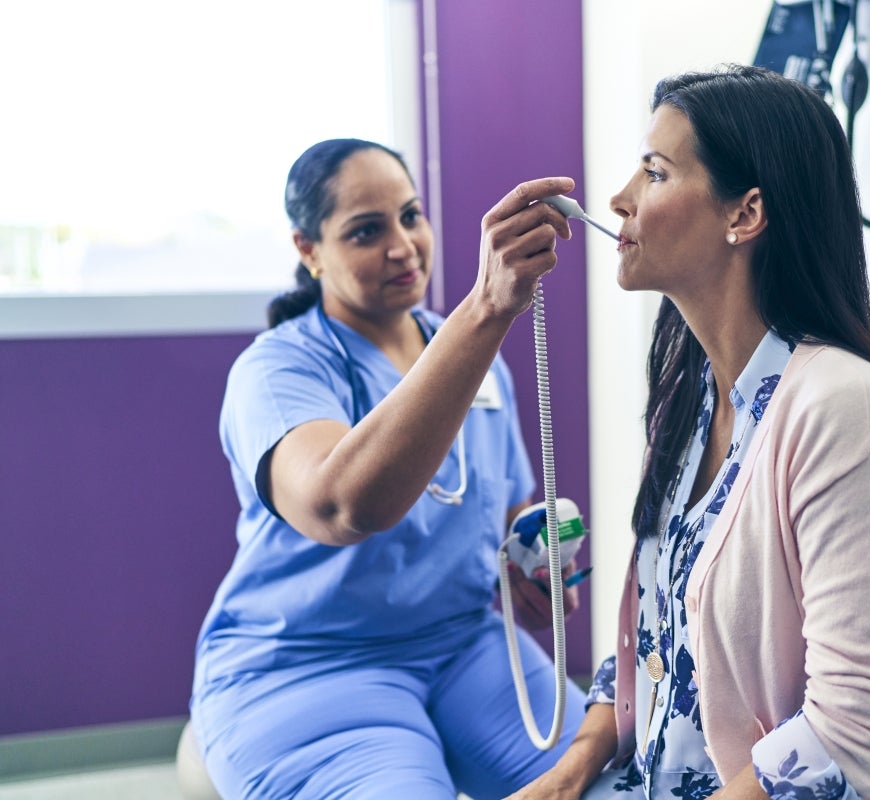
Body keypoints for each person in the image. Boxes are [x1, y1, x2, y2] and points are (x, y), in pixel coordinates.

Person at [508, 65, 870, 800]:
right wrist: (565, 778)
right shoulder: (689, 398)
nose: (619, 199)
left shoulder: (847, 414)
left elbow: (855, 731)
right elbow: (655, 644)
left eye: (654, 173)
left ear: (744, 215)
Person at [189, 138, 588, 800]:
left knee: (616, 784)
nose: (403, 245)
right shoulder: (279, 369)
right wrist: (487, 308)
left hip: (465, 648)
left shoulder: (469, 356)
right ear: (308, 249)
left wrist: (538, 559)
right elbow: (343, 506)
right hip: (307, 667)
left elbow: (509, 502)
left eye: (410, 215)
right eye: (366, 231)